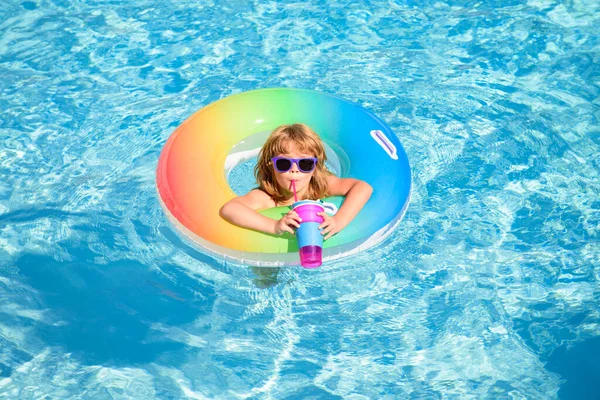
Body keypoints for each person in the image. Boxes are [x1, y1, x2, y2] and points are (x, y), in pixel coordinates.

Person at [220, 123, 373, 240]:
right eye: (284, 164)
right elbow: (230, 208)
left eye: (305, 164)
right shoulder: (267, 197)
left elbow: (362, 187)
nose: (294, 170)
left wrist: (338, 221)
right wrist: (273, 225)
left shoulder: (320, 185)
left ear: (315, 168)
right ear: (271, 166)